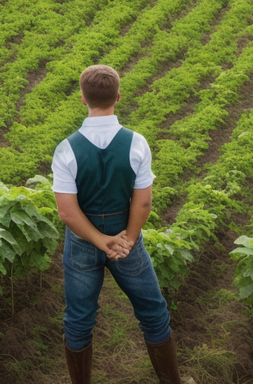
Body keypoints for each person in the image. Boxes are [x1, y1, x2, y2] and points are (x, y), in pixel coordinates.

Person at [52, 65, 191, 384]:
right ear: (118, 97)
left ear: (82, 99)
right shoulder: (136, 143)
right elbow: (142, 202)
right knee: (154, 313)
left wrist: (100, 241)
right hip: (126, 238)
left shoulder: (67, 149)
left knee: (78, 321)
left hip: (83, 244)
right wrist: (126, 239)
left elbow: (68, 213)